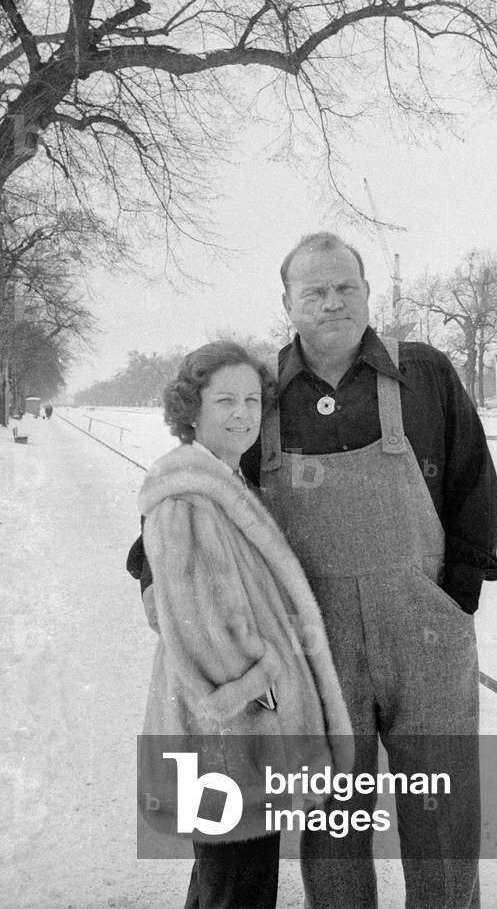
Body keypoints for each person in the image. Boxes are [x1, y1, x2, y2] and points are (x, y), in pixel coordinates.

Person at [129, 235, 497, 908]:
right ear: (288, 304)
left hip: (426, 637)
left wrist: (456, 597)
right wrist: (150, 569)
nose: (333, 302)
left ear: (366, 291)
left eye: (345, 287)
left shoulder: (423, 375)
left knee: (442, 812)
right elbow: (196, 486)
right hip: (316, 646)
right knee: (332, 816)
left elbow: (472, 483)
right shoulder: (261, 393)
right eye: (315, 292)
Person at [136, 341, 352, 909]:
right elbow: (195, 625)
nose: (242, 414)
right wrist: (263, 683)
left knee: (225, 883)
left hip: (241, 735)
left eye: (253, 401)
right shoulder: (188, 495)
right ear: (192, 408)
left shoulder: (222, 480)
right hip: (232, 738)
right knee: (238, 888)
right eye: (225, 400)